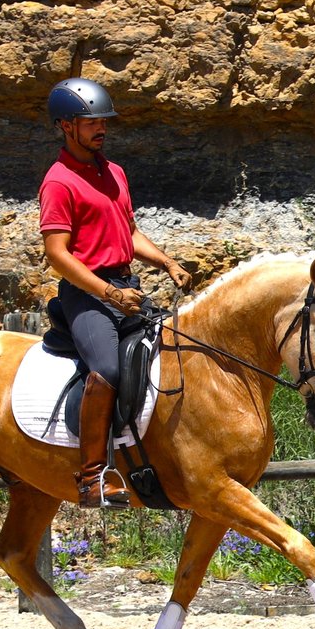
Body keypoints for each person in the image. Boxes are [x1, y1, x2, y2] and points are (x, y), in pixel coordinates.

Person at [38, 77, 193, 508]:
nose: (101, 128)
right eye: (91, 122)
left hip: (126, 287)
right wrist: (106, 292)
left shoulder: (115, 172)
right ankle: (91, 478)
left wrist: (166, 262)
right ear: (67, 126)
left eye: (104, 120)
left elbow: (129, 232)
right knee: (106, 368)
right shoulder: (58, 181)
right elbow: (57, 253)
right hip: (86, 295)